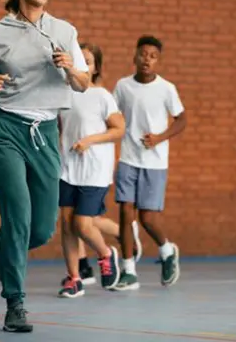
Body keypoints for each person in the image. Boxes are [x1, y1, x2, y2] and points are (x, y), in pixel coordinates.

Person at [0, 0, 90, 333]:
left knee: (41, 231)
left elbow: (83, 83)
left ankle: (0, 243)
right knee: (18, 216)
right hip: (5, 131)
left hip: (46, 132)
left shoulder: (65, 31)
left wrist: (69, 68)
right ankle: (15, 303)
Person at [58, 44, 143, 289]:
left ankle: (106, 254)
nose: (83, 64)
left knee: (83, 224)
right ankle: (74, 278)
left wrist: (89, 141)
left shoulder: (102, 96)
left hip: (94, 171)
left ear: (95, 68)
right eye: (79, 60)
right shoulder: (63, 94)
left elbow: (119, 129)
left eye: (88, 61)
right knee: (66, 224)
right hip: (67, 169)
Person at [112, 35, 187, 291]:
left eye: (153, 56)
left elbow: (181, 120)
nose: (147, 59)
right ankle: (128, 271)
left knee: (148, 219)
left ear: (158, 61)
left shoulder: (166, 89)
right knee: (124, 213)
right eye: (143, 54)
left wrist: (159, 138)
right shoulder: (122, 86)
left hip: (154, 162)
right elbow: (112, 116)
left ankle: (167, 251)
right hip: (128, 158)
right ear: (135, 57)